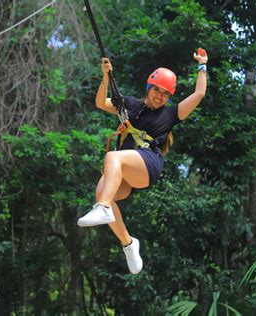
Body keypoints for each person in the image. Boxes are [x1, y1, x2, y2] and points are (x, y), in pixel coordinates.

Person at [77, 48, 208, 274]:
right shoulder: (130, 105)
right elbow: (101, 102)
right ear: (149, 88)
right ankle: (128, 244)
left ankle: (104, 207)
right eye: (157, 90)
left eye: (165, 94)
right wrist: (105, 77)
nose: (160, 96)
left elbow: (199, 95)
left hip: (149, 163)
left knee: (112, 159)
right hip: (128, 169)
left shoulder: (171, 115)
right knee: (101, 191)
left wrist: (202, 66)